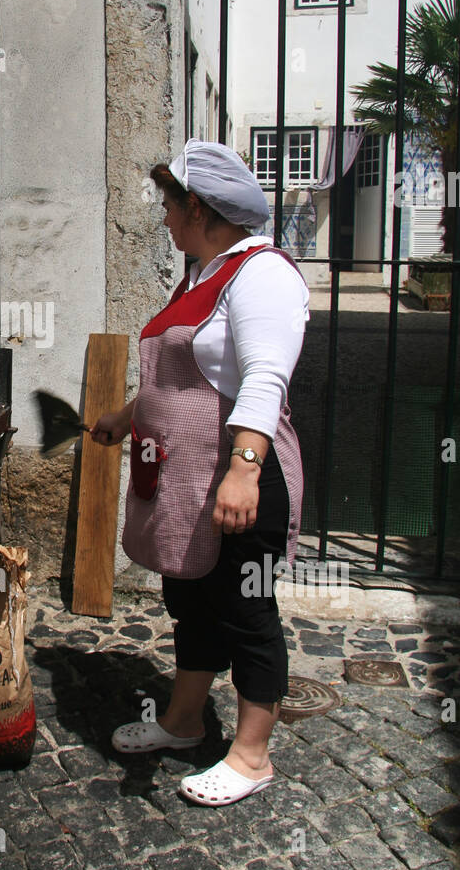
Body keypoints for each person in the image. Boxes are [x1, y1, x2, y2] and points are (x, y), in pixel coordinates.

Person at [91, 140, 310, 806]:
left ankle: (250, 755)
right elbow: (190, 377)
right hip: (188, 480)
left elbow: (264, 377)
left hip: (241, 477)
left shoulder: (261, 274)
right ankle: (183, 722)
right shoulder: (201, 275)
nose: (161, 220)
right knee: (191, 599)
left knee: (247, 611)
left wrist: (242, 470)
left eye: (167, 205)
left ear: (198, 207)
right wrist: (128, 416)